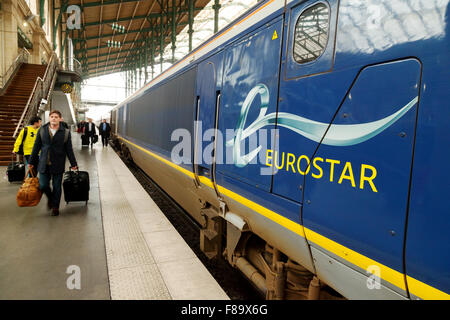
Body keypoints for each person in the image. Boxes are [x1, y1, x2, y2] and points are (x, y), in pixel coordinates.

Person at [29, 110, 78, 216]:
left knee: (57, 186)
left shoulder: (65, 132)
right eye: (52, 116)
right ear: (49, 118)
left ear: (60, 119)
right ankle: (51, 199)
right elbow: (36, 146)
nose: (54, 118)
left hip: (58, 163)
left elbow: (69, 150)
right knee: (42, 185)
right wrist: (31, 161)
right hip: (44, 163)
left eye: (56, 117)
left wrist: (73, 164)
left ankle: (55, 207)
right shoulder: (42, 130)